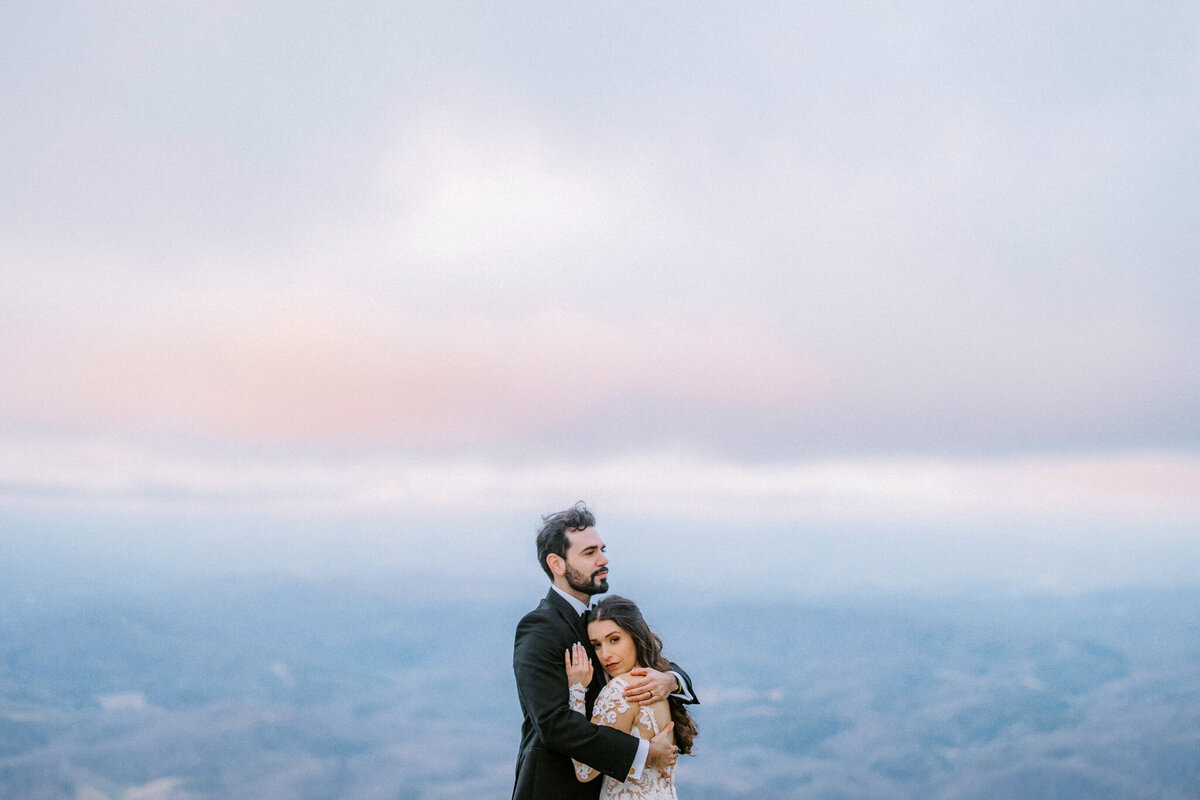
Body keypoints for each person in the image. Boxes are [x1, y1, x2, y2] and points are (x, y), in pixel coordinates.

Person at [512, 502, 698, 800]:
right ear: (557, 564)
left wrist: (670, 680)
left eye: (602, 549)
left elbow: (649, 655)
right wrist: (646, 754)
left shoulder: (600, 619)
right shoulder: (539, 628)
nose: (603, 559)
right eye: (590, 553)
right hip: (556, 791)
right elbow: (553, 725)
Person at [565, 594, 698, 799]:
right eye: (597, 645)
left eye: (614, 639)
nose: (605, 654)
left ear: (635, 636)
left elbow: (584, 770)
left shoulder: (620, 689)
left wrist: (576, 690)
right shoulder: (656, 682)